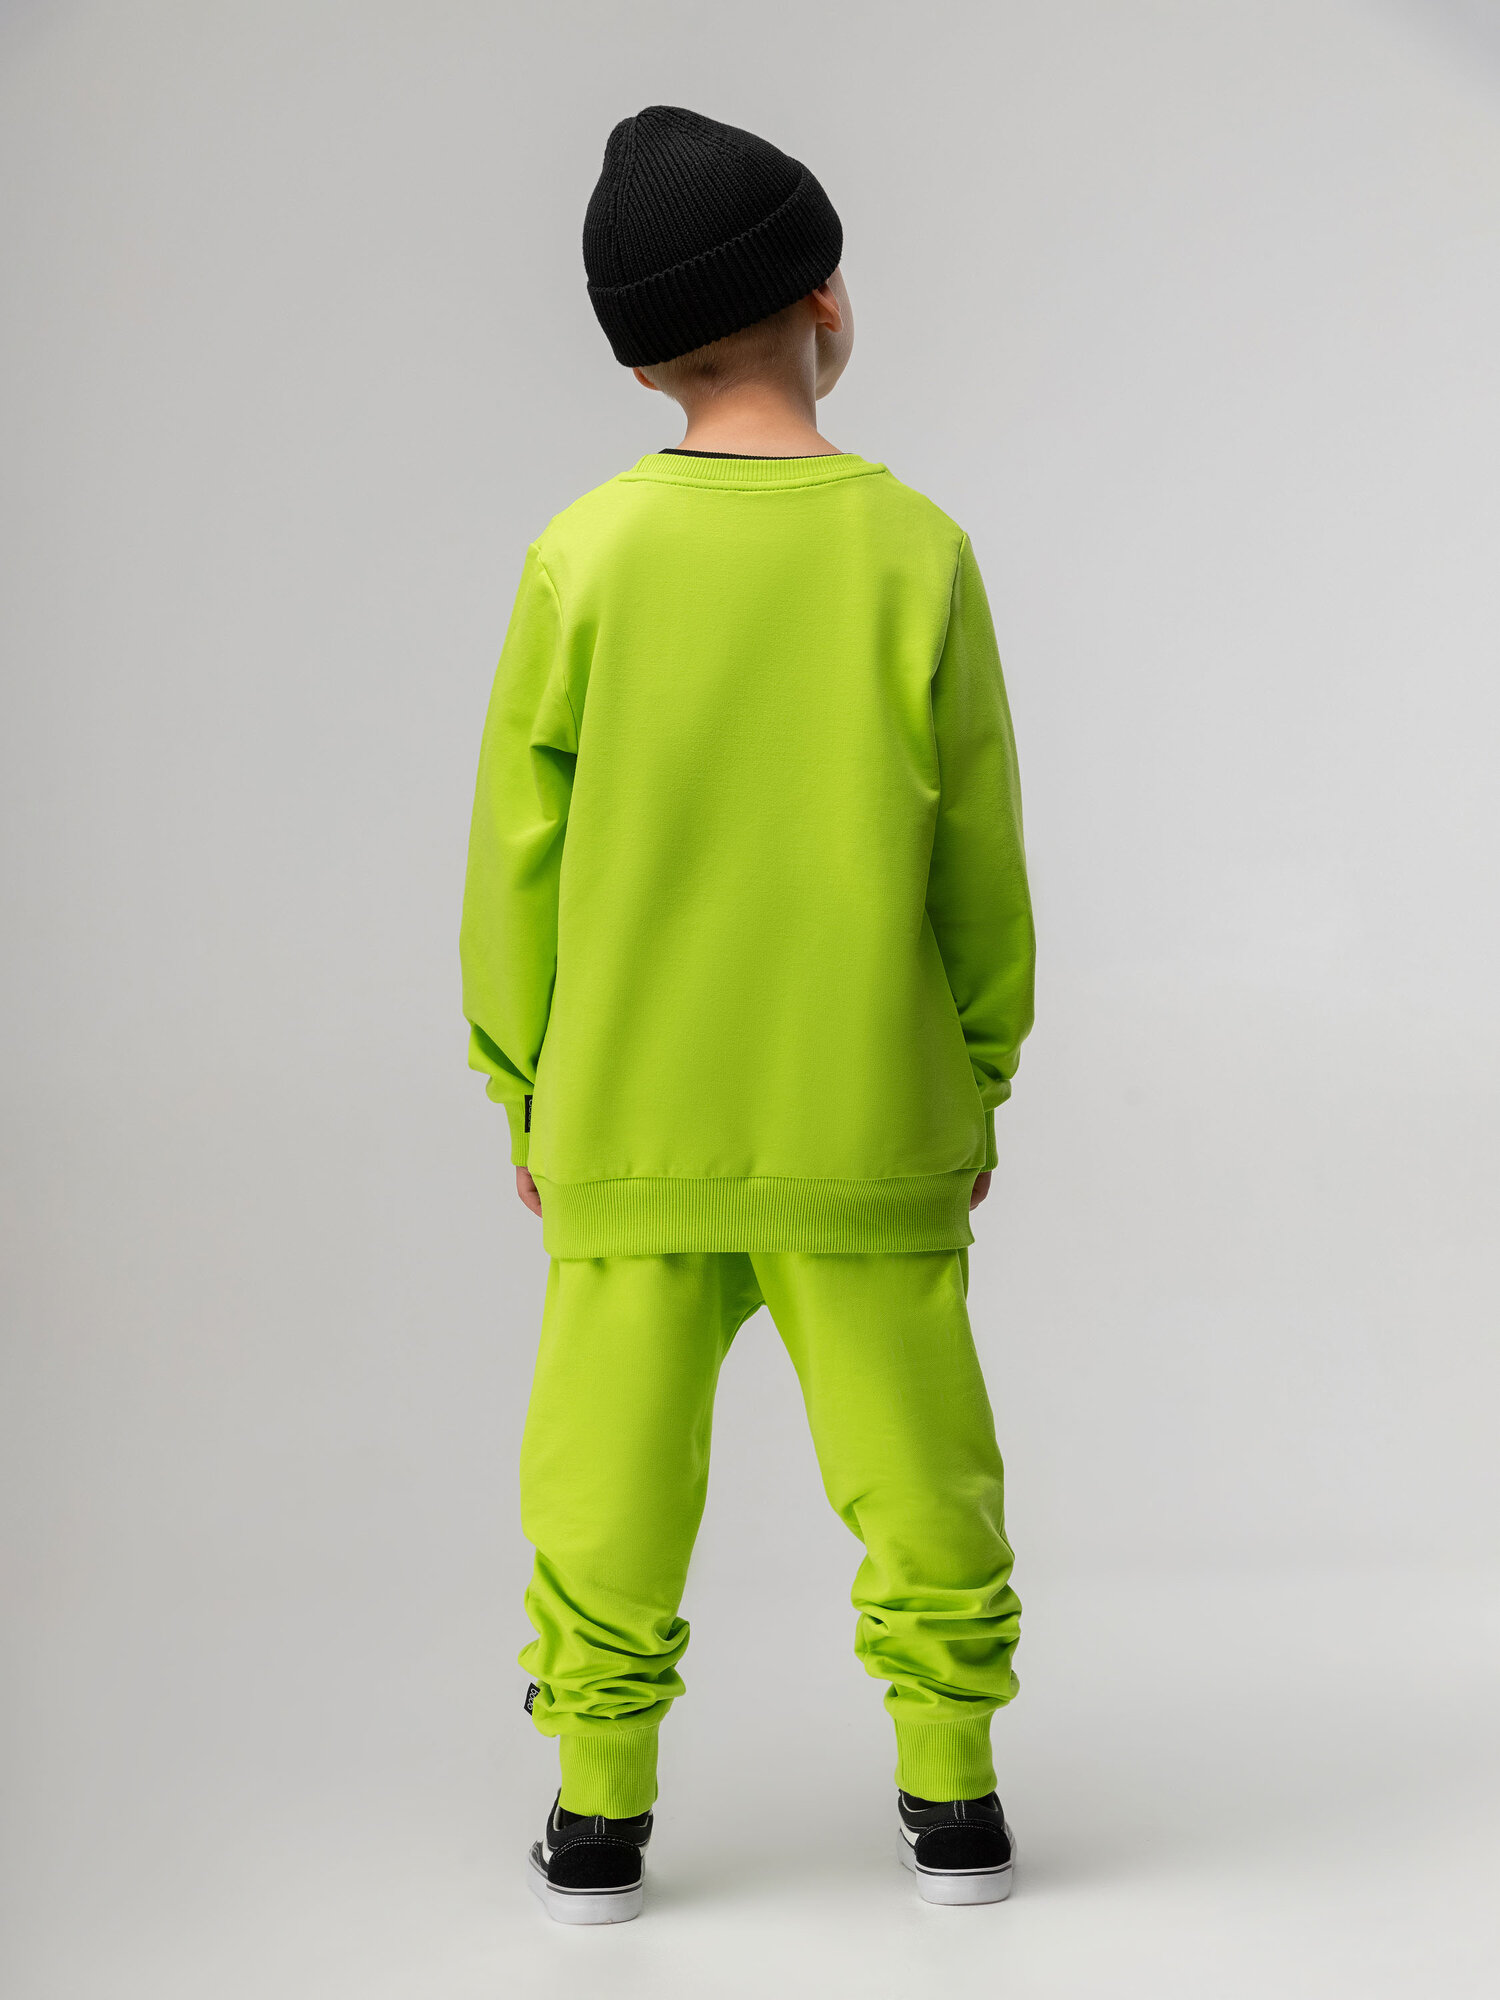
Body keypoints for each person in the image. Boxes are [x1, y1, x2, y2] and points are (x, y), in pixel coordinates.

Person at [460, 104, 1035, 1925]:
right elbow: (979, 858)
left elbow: (515, 862)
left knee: (605, 1479)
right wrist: (974, 1079)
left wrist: (527, 1090)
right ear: (827, 301)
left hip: (627, 1119)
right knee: (922, 1465)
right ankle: (954, 1800)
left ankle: (599, 1817)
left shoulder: (585, 556)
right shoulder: (917, 550)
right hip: (868, 1114)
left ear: (639, 359)